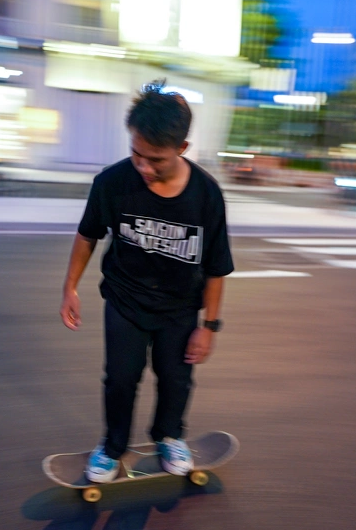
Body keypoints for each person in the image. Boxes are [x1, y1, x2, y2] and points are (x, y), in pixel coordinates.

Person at [60, 81, 234, 483]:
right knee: (120, 378)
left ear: (182, 149)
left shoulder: (206, 195)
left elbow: (216, 268)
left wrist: (209, 327)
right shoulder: (112, 182)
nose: (143, 166)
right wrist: (69, 287)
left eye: (155, 159)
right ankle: (112, 446)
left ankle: (170, 436)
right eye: (136, 153)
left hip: (180, 307)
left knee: (176, 379)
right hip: (125, 299)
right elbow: (88, 235)